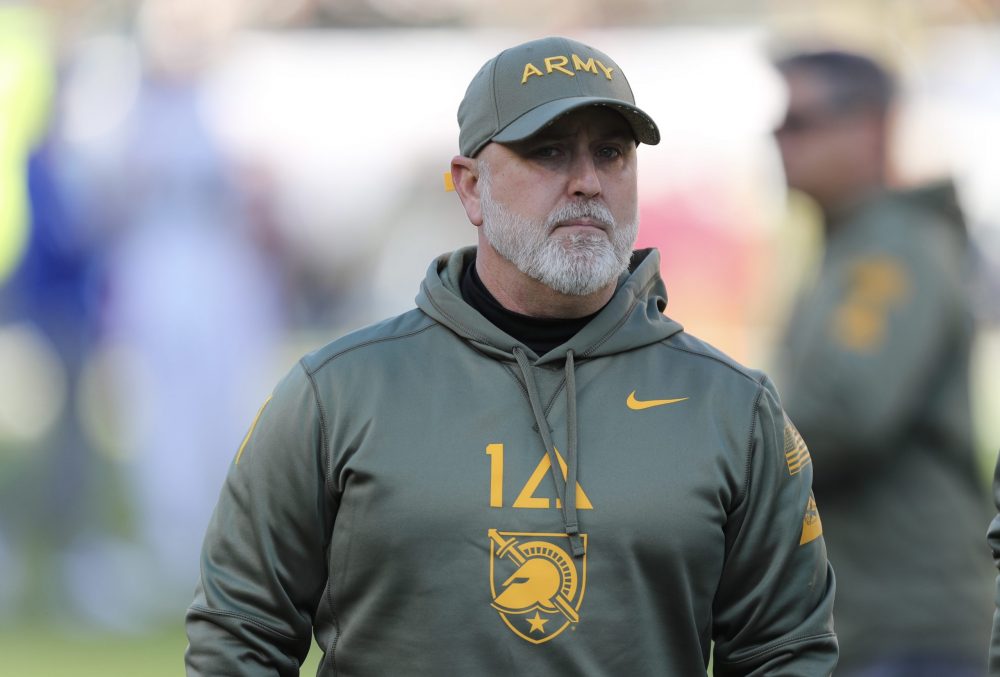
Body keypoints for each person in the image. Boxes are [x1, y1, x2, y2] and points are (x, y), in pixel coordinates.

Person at [186, 36, 837, 675]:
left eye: (611, 153)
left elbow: (786, 652)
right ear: (471, 187)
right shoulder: (337, 394)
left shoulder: (731, 409)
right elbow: (239, 632)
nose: (587, 182)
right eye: (549, 152)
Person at [771, 49, 992, 676]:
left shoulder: (891, 249)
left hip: (910, 623)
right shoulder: (857, 243)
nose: (779, 140)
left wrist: (717, 454)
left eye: (798, 122)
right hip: (885, 616)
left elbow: (842, 411)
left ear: (870, 127)